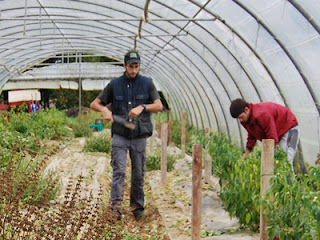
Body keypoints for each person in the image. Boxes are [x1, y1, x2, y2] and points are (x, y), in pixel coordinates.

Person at [90, 50, 163, 221]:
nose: (133, 70)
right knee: (119, 171)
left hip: (139, 135)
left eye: (136, 66)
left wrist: (143, 107)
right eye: (130, 66)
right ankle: (115, 209)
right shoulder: (115, 84)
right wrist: (104, 109)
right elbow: (94, 103)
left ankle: (138, 208)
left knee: (138, 173)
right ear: (124, 65)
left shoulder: (147, 83)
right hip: (120, 135)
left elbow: (159, 106)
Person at [229, 98, 304, 175]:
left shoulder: (262, 115)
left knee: (286, 160)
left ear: (246, 109)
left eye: (241, 117)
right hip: (278, 133)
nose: (240, 120)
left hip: (289, 128)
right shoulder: (246, 120)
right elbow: (252, 136)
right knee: (278, 161)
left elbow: (272, 138)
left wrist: (264, 159)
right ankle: (278, 184)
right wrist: (244, 157)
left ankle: (289, 185)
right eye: (238, 118)